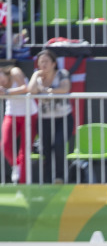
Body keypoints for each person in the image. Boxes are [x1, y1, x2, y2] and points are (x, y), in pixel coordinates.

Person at [28, 48, 73, 184]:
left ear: (54, 63)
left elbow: (65, 88)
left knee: (59, 145)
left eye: (46, 61)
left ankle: (59, 177)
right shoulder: (38, 78)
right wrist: (35, 76)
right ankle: (48, 181)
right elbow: (31, 90)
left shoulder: (62, 73)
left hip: (63, 117)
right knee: (46, 150)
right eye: (41, 62)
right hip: (44, 120)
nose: (43, 65)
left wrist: (48, 91)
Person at [0, 65, 37, 184]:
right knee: (5, 145)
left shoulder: (14, 71)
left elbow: (25, 88)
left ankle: (23, 184)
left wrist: (6, 91)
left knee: (25, 151)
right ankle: (16, 166)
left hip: (29, 114)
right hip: (11, 114)